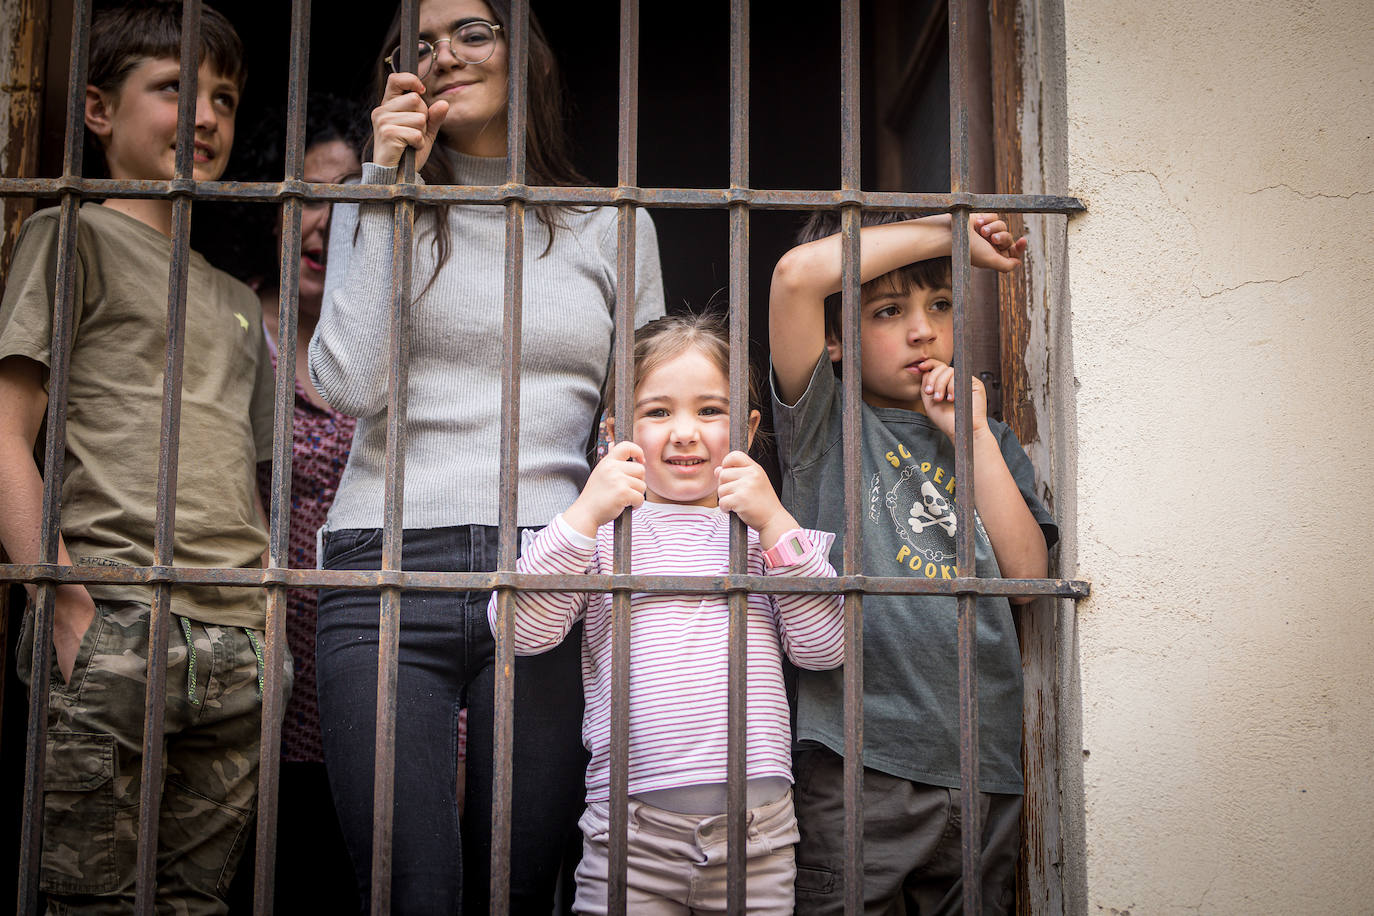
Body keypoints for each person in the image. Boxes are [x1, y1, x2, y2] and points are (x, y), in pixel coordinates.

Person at [307, 0, 665, 912]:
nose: (445, 56)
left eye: (473, 31)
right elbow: (347, 384)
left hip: (548, 569)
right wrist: (387, 182)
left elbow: (649, 427)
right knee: (411, 890)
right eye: (419, 45)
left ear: (525, 58)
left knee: (519, 885)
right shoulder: (374, 200)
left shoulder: (609, 223)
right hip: (384, 563)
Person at [0, 3, 286, 913]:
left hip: (236, 638)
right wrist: (62, 599)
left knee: (194, 905)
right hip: (116, 615)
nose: (204, 118)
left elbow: (248, 471)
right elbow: (5, 429)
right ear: (97, 110)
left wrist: (266, 626)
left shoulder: (237, 301)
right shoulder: (69, 231)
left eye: (224, 99)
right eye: (174, 89)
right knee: (90, 903)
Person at [489, 314, 845, 915]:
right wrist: (583, 514)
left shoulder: (763, 537)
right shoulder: (602, 536)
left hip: (757, 838)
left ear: (750, 428)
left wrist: (776, 520)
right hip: (629, 838)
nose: (685, 432)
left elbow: (823, 647)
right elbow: (519, 630)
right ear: (614, 434)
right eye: (658, 413)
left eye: (710, 411)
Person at [768, 211, 1059, 914]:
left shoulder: (987, 434)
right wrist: (952, 232)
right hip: (857, 764)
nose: (923, 329)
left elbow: (1027, 582)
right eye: (888, 310)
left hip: (980, 768)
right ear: (836, 340)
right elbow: (796, 277)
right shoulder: (825, 425)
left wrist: (972, 441)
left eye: (941, 304)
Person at [212, 95, 364, 914]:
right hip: (231, 669)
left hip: (353, 680)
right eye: (307, 194)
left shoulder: (385, 349)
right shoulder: (220, 317)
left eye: (348, 198)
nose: (325, 222)